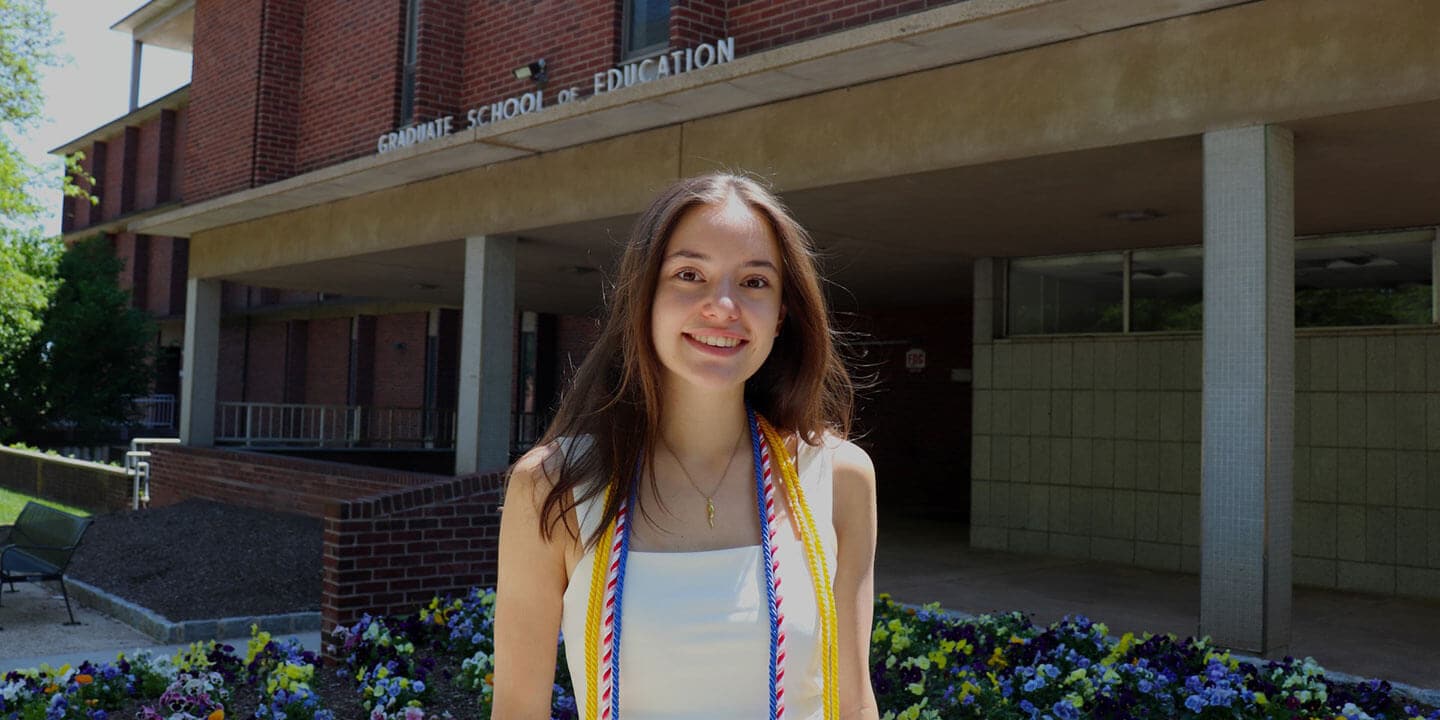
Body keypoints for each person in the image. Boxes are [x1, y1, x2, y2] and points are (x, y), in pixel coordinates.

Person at [493, 173, 880, 720]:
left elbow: (855, 704)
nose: (723, 306)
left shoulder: (839, 478)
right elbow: (516, 710)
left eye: (754, 282)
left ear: (782, 314)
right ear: (644, 299)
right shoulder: (554, 484)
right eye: (689, 275)